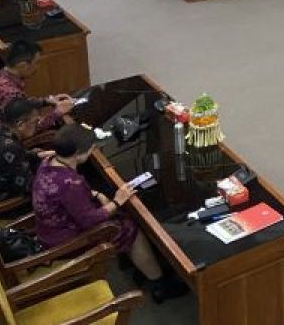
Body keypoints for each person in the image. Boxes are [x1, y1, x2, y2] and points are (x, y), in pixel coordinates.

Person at [33, 124, 188, 303]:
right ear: (77, 153)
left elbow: (68, 198)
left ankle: (145, 268)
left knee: (122, 216)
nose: (92, 152)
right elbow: (90, 220)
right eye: (91, 149)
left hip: (49, 230)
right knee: (129, 228)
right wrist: (117, 201)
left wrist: (97, 195)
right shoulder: (69, 183)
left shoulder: (49, 162)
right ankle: (159, 285)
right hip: (66, 241)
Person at [0, 39, 73, 133]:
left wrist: (45, 101)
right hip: (5, 139)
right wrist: (58, 112)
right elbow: (28, 130)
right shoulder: (9, 93)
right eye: (36, 62)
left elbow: (22, 105)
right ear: (23, 65)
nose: (37, 67)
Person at [0, 99, 51, 207]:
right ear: (20, 124)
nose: (37, 124)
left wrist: (34, 155)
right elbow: (30, 187)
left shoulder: (0, 130)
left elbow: (9, 161)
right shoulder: (9, 147)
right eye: (35, 121)